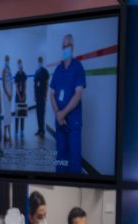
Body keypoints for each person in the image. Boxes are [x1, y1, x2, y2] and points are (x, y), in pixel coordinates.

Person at [50, 34, 86, 174]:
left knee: (74, 161)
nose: (66, 48)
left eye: (68, 45)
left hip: (73, 123)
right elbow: (51, 94)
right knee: (60, 159)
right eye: (64, 46)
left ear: (73, 47)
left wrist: (62, 113)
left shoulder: (78, 68)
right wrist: (57, 113)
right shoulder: (58, 70)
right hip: (60, 122)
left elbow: (78, 95)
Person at [34, 56, 49, 138]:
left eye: (40, 61)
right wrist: (34, 95)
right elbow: (35, 85)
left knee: (42, 114)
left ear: (42, 62)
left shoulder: (45, 72)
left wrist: (45, 95)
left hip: (42, 96)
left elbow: (46, 84)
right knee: (37, 114)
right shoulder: (36, 72)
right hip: (37, 97)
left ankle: (42, 131)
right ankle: (39, 129)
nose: (39, 62)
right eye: (38, 61)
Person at [1, 55, 13, 145]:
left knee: (8, 114)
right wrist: (8, 94)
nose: (7, 61)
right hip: (6, 95)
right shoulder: (3, 70)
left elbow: (11, 84)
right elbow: (4, 85)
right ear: (4, 60)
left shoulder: (10, 70)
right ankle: (5, 134)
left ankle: (7, 134)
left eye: (8, 59)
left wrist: (11, 94)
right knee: (6, 114)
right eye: (6, 59)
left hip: (10, 95)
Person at [14, 59, 28, 138]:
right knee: (17, 114)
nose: (20, 65)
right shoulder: (16, 75)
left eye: (21, 63)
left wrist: (23, 95)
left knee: (22, 114)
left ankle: (22, 131)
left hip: (23, 96)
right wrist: (19, 96)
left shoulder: (24, 74)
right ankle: (16, 131)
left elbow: (25, 85)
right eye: (18, 64)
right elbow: (16, 86)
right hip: (17, 96)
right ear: (17, 65)